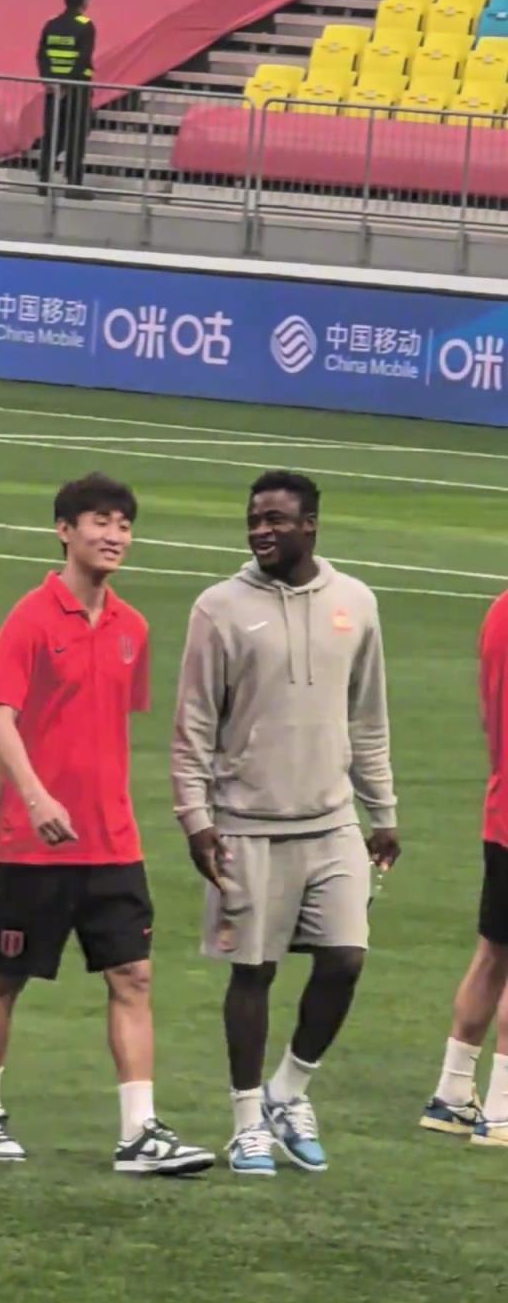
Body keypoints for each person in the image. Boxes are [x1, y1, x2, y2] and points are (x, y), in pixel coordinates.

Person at [0, 472, 215, 1175]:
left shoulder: (133, 628)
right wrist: (37, 797)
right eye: (100, 521)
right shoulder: (31, 618)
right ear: (64, 530)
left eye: (124, 525)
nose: (114, 536)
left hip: (113, 842)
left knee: (133, 975)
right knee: (6, 977)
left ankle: (139, 1132)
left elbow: (108, 725)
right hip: (33, 845)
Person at [171, 470, 401, 1177]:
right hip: (246, 823)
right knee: (254, 972)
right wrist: (196, 820)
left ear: (310, 526)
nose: (261, 530)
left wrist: (383, 812)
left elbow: (368, 719)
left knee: (345, 959)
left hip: (332, 822)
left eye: (275, 519)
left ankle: (288, 1091)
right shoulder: (218, 609)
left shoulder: (356, 603)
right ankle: (246, 1123)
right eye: (254, 519)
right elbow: (193, 726)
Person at [421, 591, 508, 1148]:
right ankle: (502, 1110)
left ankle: (453, 1094)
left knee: (493, 952)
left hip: (501, 809)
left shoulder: (499, 610)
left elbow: (485, 715)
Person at [37, 0, 95, 198]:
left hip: (53, 91)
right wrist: (68, 85)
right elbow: (82, 59)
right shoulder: (86, 25)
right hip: (76, 90)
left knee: (52, 134)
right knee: (76, 137)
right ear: (83, 1)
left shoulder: (51, 24)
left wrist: (49, 81)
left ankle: (44, 181)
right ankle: (73, 184)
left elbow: (41, 55)